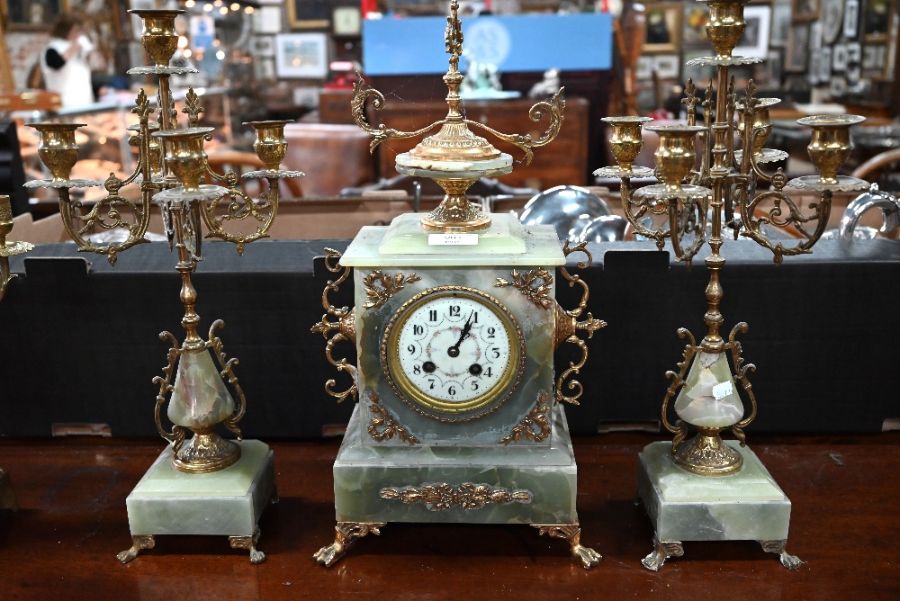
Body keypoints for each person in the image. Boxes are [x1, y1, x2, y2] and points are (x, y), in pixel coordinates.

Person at [40, 13, 95, 109]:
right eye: (76, 30)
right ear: (66, 30)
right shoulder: (52, 49)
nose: (79, 34)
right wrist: (73, 48)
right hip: (64, 104)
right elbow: (56, 64)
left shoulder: (78, 50)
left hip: (84, 104)